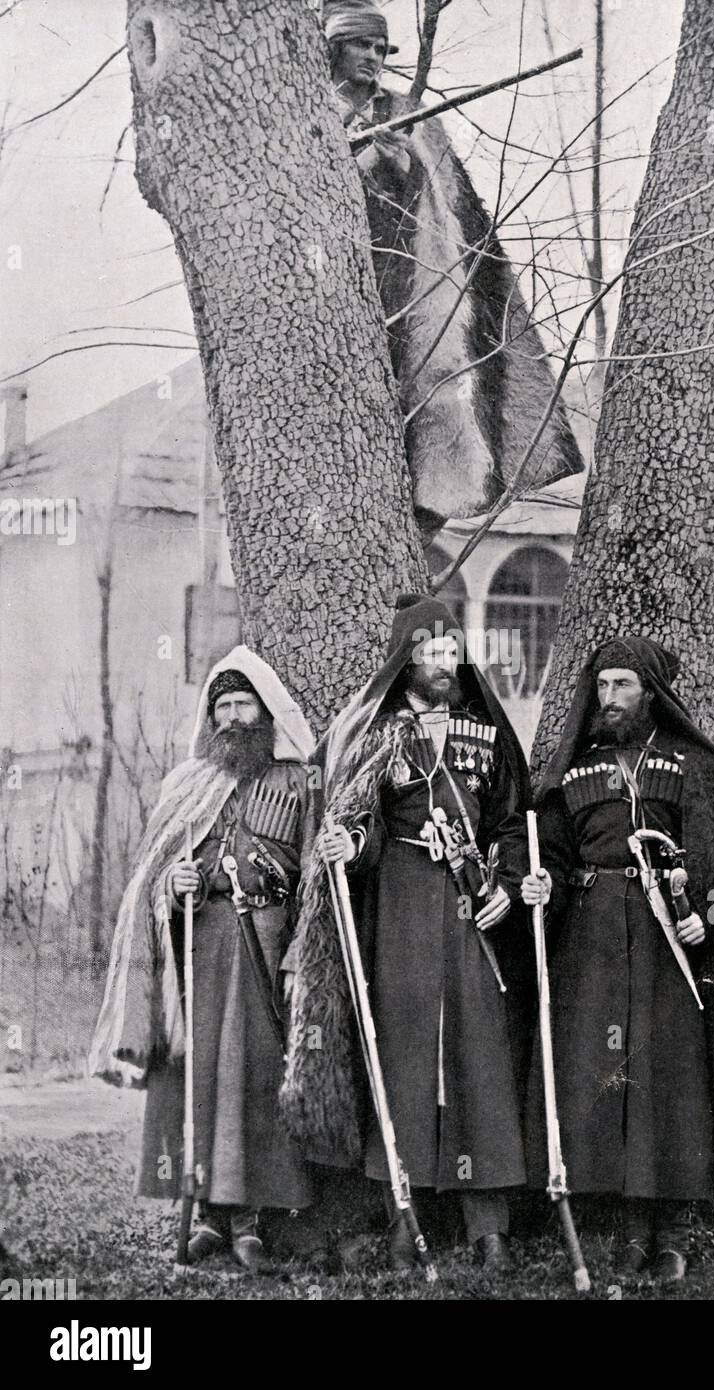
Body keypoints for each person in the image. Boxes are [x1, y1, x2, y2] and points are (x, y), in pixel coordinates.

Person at [520, 635, 714, 1282]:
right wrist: (541, 880)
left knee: (675, 1083)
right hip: (593, 946)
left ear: (651, 693)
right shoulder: (573, 773)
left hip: (674, 952)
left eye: (623, 685)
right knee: (610, 1078)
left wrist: (704, 918)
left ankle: (674, 1230)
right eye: (602, 686)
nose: (609, 699)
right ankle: (631, 1230)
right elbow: (550, 852)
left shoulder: (692, 768)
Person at [281, 595, 531, 1270]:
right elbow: (362, 820)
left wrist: (505, 889)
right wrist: (346, 844)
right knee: (404, 1054)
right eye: (429, 654)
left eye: (452, 652)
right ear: (405, 660)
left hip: (471, 909)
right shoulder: (379, 734)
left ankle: (489, 1225)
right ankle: (404, 1214)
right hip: (400, 906)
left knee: (480, 1057)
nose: (444, 665)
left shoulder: (488, 734)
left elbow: (513, 823)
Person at [89, 646, 317, 1273]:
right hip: (197, 951)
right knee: (198, 1078)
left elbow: (317, 882)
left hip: (265, 950)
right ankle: (208, 1219)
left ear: (266, 712)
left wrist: (299, 950)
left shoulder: (300, 782)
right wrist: (173, 888)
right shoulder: (186, 784)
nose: (234, 718)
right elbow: (151, 880)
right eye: (223, 707)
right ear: (210, 717)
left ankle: (250, 1221)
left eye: (245, 704)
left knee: (256, 1078)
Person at [322, 0, 583, 534]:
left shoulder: (402, 114)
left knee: (435, 409)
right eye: (361, 46)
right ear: (332, 48)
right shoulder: (310, 114)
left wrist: (403, 162)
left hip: (413, 296)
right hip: (339, 293)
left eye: (380, 49)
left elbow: (449, 213)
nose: (373, 58)